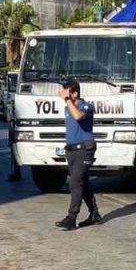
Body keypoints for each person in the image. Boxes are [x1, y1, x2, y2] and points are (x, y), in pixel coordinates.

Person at [55, 80, 101, 231]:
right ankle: (94, 213)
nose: (63, 96)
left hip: (84, 149)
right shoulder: (67, 107)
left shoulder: (85, 106)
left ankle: (71, 217)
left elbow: (78, 117)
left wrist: (68, 100)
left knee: (75, 182)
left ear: (74, 93)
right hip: (72, 151)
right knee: (82, 182)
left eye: (67, 93)